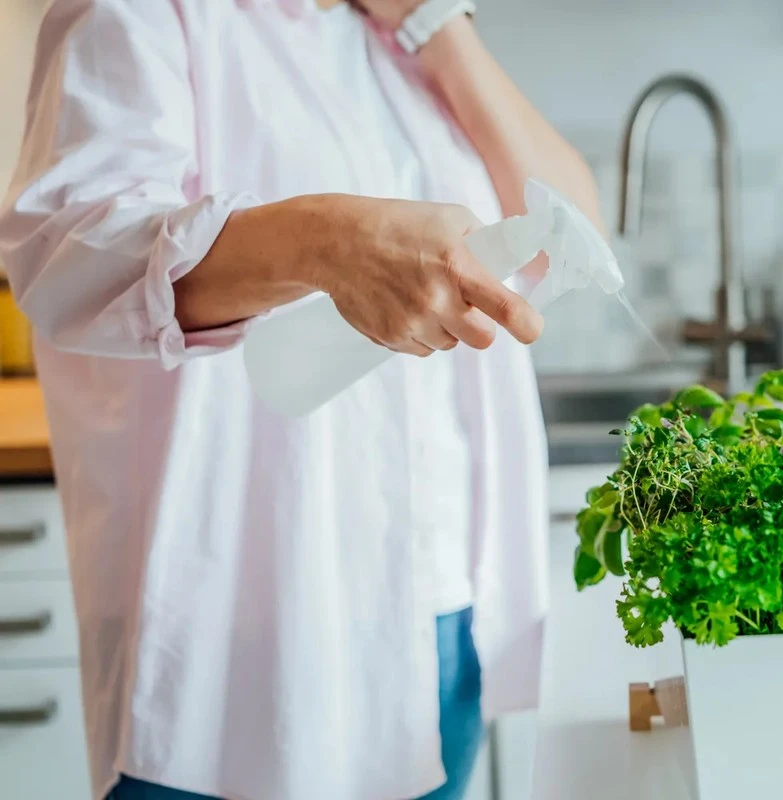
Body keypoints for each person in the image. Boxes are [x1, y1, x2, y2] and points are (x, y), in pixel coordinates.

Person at [0, 1, 602, 799]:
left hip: (439, 609)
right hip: (242, 629)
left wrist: (438, 26)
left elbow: (577, 235)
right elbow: (68, 254)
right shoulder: (143, 13)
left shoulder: (401, 44)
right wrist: (326, 242)